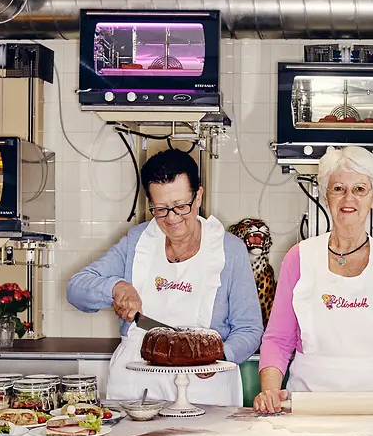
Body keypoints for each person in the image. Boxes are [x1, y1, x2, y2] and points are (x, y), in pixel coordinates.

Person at [66, 149, 263, 405]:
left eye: (181, 206)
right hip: (136, 388)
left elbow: (249, 329)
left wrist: (219, 357)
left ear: (198, 195)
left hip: (205, 389)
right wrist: (116, 287)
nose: (172, 219)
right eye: (160, 209)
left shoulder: (229, 250)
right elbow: (76, 288)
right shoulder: (138, 242)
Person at [253, 146, 373, 414]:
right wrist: (270, 390)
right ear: (326, 195)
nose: (348, 198)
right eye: (338, 189)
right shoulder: (299, 257)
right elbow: (278, 339)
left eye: (359, 189)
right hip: (308, 405)